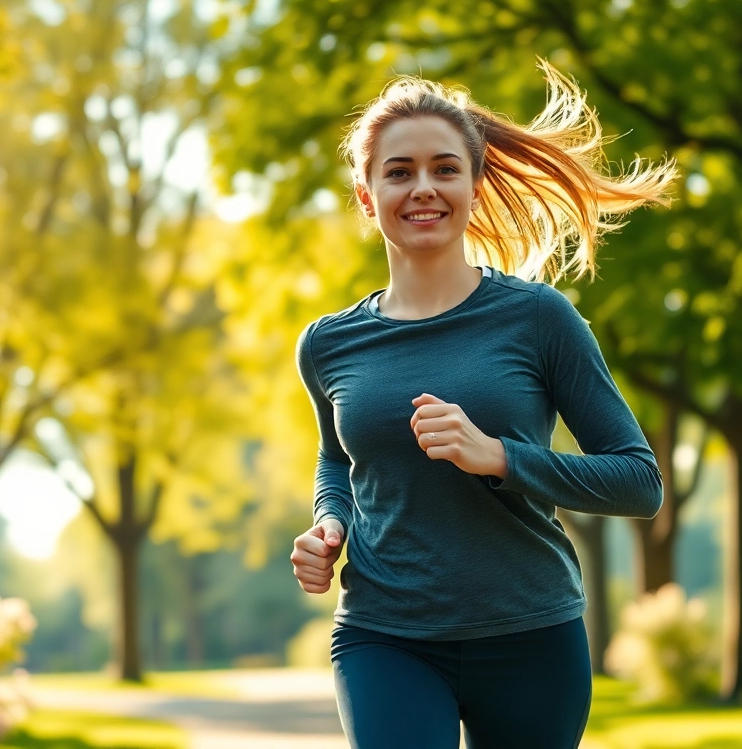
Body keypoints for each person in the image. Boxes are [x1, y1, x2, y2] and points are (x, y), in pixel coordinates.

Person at [289, 62, 676, 749]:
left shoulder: (538, 319)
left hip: (529, 634)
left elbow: (639, 481)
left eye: (445, 168)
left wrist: (500, 457)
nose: (423, 188)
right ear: (366, 195)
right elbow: (337, 461)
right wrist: (328, 526)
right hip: (385, 633)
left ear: (473, 184)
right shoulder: (328, 344)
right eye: (399, 171)